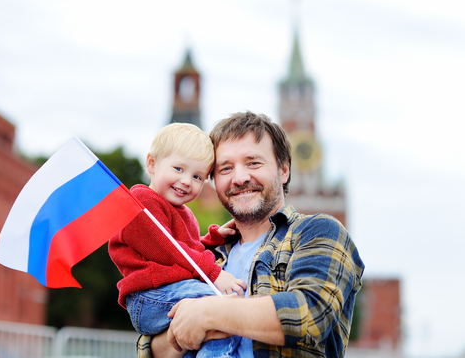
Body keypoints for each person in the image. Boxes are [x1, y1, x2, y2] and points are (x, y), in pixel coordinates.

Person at [137, 111, 365, 358]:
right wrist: (176, 336)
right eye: (225, 168)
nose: (240, 178)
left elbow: (309, 314)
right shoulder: (205, 255)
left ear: (284, 170)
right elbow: (147, 347)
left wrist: (207, 313)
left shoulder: (316, 232)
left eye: (253, 163)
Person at [109, 123, 247, 358]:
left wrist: (211, 240)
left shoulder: (182, 211)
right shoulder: (141, 202)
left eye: (197, 176)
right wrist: (213, 273)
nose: (186, 181)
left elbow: (183, 250)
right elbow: (168, 250)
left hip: (170, 291)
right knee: (221, 307)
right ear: (152, 164)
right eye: (178, 169)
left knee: (198, 337)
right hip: (149, 295)